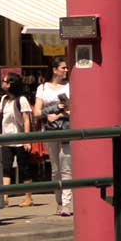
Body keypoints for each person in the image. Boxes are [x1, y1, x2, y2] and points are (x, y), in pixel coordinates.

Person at [33, 60, 73, 217]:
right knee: (56, 168)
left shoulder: (70, 86)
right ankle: (59, 202)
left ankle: (67, 204)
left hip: (67, 128)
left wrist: (60, 113)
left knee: (67, 166)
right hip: (50, 130)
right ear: (55, 70)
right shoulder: (42, 88)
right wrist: (51, 111)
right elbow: (36, 112)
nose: (66, 70)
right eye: (63, 67)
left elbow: (76, 108)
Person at [0, 74, 33, 207]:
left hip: (19, 138)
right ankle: (5, 196)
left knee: (24, 167)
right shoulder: (3, 99)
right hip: (6, 138)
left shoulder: (22, 100)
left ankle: (28, 197)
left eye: (5, 81)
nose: (2, 83)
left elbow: (26, 120)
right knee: (6, 167)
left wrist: (27, 139)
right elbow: (2, 117)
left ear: (11, 84)